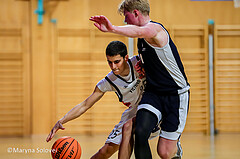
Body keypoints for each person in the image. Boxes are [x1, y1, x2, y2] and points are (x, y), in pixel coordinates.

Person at [90, 0, 190, 159]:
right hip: (153, 93)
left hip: (175, 95)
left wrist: (112, 29)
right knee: (140, 131)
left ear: (136, 13)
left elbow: (143, 31)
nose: (125, 20)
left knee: (164, 153)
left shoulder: (155, 29)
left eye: (126, 16)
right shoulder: (141, 39)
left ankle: (174, 148)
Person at [46, 40, 147, 159]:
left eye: (116, 62)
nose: (113, 67)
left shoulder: (139, 62)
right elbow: (85, 105)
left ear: (126, 58)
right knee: (105, 151)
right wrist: (62, 120)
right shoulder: (109, 81)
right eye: (109, 62)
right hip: (134, 111)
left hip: (154, 104)